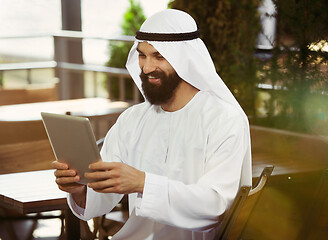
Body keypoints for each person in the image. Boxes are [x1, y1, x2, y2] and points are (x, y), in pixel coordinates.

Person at [52, 9, 252, 240]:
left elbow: (216, 206)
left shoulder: (223, 119)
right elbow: (100, 197)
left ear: (185, 60)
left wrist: (143, 183)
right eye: (142, 55)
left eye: (159, 56)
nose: (146, 68)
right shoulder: (132, 119)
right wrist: (79, 190)